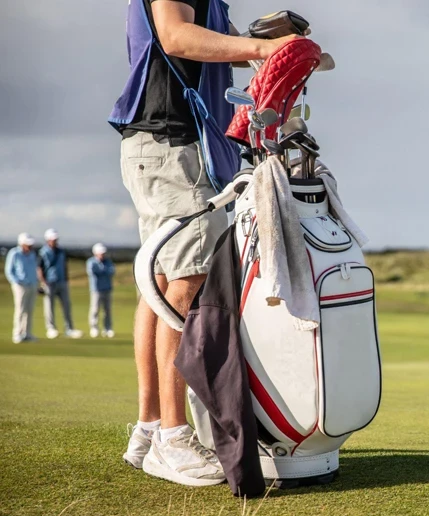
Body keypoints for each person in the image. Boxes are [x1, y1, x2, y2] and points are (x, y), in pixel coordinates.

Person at [109, 0, 302, 485]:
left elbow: (221, 44)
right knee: (186, 282)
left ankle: (151, 429)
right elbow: (175, 36)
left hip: (160, 146)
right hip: (175, 146)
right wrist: (264, 47)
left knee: (158, 284)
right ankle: (173, 438)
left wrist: (274, 44)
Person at [38, 229, 83, 339]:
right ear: (48, 240)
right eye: (53, 239)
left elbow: (64, 266)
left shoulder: (61, 251)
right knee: (49, 306)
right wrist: (43, 282)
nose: (55, 241)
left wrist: (67, 279)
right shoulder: (43, 252)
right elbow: (39, 268)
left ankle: (69, 329)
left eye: (56, 239)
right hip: (49, 282)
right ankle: (51, 328)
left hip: (62, 281)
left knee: (66, 306)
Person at [4, 233, 40, 344]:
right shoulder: (14, 253)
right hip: (20, 285)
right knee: (20, 309)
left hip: (32, 284)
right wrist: (16, 282)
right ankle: (17, 334)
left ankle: (27, 333)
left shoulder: (32, 254)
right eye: (27, 244)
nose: (30, 246)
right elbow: (9, 271)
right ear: (21, 243)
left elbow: (35, 269)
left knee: (29, 310)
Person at [86, 244, 116, 339]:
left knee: (107, 310)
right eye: (101, 253)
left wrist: (102, 271)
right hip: (96, 289)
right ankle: (94, 328)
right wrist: (104, 271)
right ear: (96, 253)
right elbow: (92, 273)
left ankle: (107, 328)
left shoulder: (108, 262)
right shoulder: (91, 262)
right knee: (95, 309)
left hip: (107, 288)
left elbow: (111, 272)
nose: (102, 255)